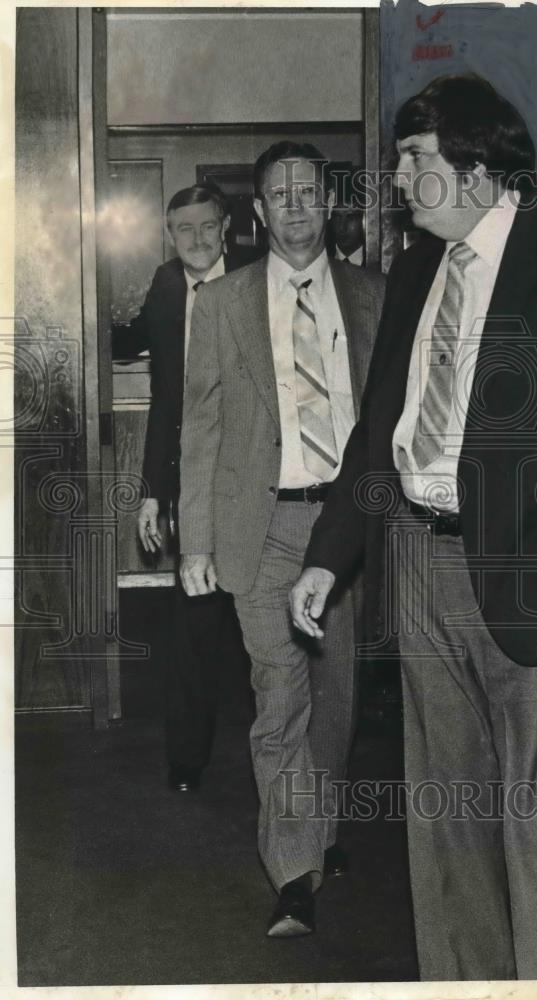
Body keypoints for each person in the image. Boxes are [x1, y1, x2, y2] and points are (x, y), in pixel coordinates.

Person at [291, 75, 537, 979]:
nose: (399, 182)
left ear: (476, 160)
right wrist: (326, 559)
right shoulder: (418, 268)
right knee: (445, 817)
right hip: (415, 560)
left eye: (413, 160)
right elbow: (379, 428)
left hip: (529, 566)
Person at [177, 142, 385, 937]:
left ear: (328, 203)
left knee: (336, 701)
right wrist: (195, 541)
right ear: (257, 213)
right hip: (258, 527)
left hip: (348, 526)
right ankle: (293, 870)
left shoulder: (372, 296)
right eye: (278, 193)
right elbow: (201, 428)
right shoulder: (225, 304)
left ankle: (321, 829)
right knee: (280, 697)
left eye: (308, 189)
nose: (295, 203)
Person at [113, 183, 256, 793]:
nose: (196, 240)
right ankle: (188, 760)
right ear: (170, 234)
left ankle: (281, 761)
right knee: (193, 619)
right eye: (183, 229)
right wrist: (154, 490)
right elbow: (165, 398)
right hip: (192, 481)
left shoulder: (261, 275)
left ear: (226, 226)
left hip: (258, 478)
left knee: (263, 626)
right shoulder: (169, 284)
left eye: (206, 227)